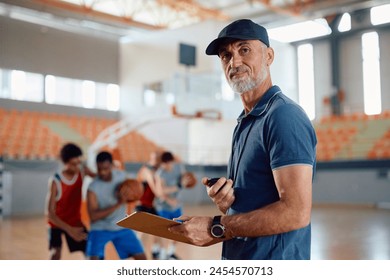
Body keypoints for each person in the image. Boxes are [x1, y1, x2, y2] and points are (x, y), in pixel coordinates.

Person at [169, 19, 317, 260]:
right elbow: (252, 203)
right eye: (226, 55)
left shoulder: (283, 115)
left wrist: (215, 227)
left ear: (269, 56)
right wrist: (227, 201)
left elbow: (295, 213)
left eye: (244, 50)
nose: (234, 62)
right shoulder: (245, 122)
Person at [86, 151, 146, 260]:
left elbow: (133, 193)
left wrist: (132, 196)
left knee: (142, 259)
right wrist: (119, 203)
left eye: (106, 169)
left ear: (112, 166)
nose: (103, 172)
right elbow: (93, 216)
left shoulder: (121, 176)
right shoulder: (92, 187)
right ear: (96, 166)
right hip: (100, 228)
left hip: (121, 225)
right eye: (100, 169)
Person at [45, 142, 95, 260]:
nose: (78, 166)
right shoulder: (55, 181)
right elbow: (50, 214)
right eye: (74, 164)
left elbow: (100, 177)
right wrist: (70, 230)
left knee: (92, 253)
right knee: (55, 253)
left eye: (79, 162)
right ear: (66, 162)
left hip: (74, 221)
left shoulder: (82, 172)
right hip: (57, 223)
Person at [154, 151, 189, 260]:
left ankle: (171, 252)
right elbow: (160, 192)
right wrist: (177, 188)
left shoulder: (179, 168)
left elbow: (185, 179)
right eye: (165, 164)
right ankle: (162, 253)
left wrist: (187, 181)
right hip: (163, 206)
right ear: (162, 164)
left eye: (169, 163)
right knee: (164, 232)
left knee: (179, 229)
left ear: (172, 162)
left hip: (176, 206)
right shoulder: (160, 174)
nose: (167, 166)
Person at [135, 151, 163, 259]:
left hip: (151, 205)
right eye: (154, 158)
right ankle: (135, 252)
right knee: (141, 231)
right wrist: (163, 194)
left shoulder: (157, 170)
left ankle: (155, 251)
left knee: (158, 228)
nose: (156, 161)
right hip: (142, 204)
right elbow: (156, 190)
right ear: (151, 159)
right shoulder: (146, 170)